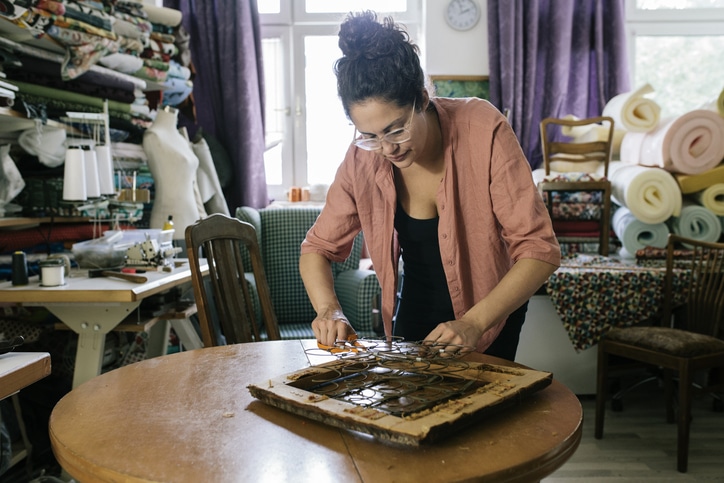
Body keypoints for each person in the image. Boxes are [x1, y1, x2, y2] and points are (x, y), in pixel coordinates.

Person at [299, 11, 560, 361]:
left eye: (396, 129)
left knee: (482, 412)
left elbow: (539, 250)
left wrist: (473, 323)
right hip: (415, 307)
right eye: (370, 136)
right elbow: (317, 248)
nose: (387, 149)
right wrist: (329, 310)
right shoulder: (362, 159)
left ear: (422, 98)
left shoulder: (484, 129)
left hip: (490, 313)